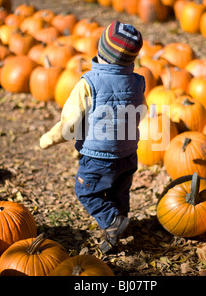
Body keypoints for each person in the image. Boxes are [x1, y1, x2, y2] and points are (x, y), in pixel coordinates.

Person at [39, 20, 146, 253]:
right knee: (120, 190)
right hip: (129, 153)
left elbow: (69, 122)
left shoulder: (89, 83)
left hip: (99, 156)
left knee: (86, 191)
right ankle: (118, 224)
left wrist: (48, 139)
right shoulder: (138, 81)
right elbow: (141, 112)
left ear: (101, 50)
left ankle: (112, 222)